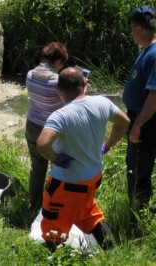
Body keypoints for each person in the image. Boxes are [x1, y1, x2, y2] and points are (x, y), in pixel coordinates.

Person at [37, 67, 130, 250]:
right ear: (84, 84)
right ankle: (113, 252)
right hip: (93, 177)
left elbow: (42, 143)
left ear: (60, 91)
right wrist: (107, 145)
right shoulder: (102, 102)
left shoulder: (60, 116)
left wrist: (56, 159)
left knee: (54, 223)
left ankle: (51, 259)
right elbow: (124, 122)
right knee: (87, 213)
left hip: (66, 182)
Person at [25, 42, 68, 213]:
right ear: (57, 60)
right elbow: (71, 103)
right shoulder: (57, 81)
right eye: (63, 63)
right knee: (57, 168)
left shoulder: (30, 74)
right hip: (50, 130)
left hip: (32, 125)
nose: (62, 66)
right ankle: (54, 206)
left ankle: (34, 205)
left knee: (37, 168)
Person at [123, 5, 156, 213]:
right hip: (140, 118)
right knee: (138, 164)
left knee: (137, 169)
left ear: (139, 29)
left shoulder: (154, 55)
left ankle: (138, 215)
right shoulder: (147, 51)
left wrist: (138, 125)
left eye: (132, 29)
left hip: (146, 121)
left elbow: (154, 96)